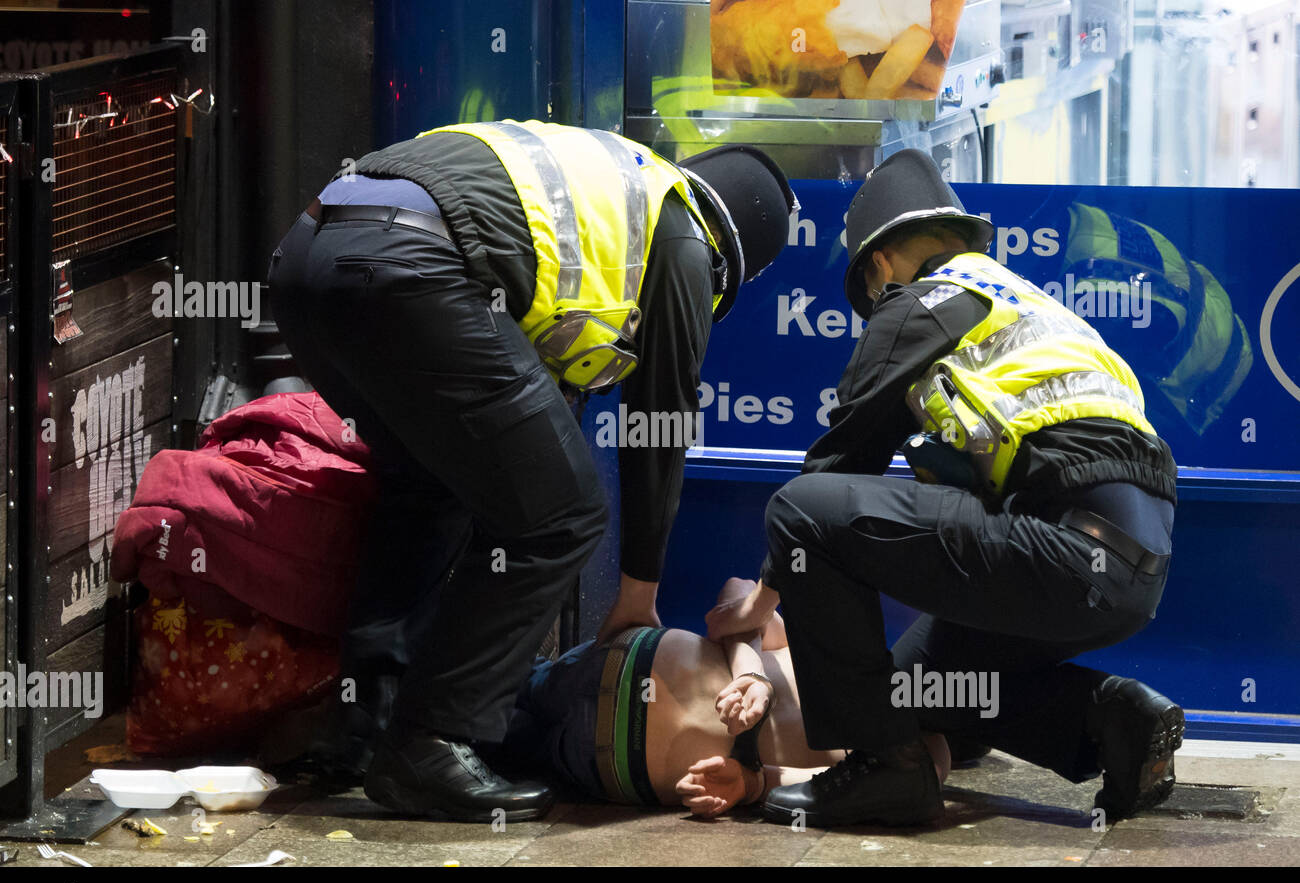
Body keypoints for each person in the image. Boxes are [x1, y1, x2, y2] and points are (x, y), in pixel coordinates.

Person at [267, 120, 795, 822]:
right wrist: (638, 593)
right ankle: (431, 740)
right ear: (731, 262)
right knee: (564, 517)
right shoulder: (682, 236)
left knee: (427, 488)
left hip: (305, 262)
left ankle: (364, 728)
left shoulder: (614, 181)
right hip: (410, 270)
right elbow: (658, 422)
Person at [705, 149, 1184, 828]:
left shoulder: (919, 302)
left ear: (878, 265)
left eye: (870, 297)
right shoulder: (1025, 307)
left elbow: (836, 471)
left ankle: (884, 770)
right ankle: (1110, 720)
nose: (876, 310)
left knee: (799, 512)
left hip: (1067, 547)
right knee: (909, 686)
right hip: (1131, 571)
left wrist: (761, 602)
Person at [499, 577, 951, 816]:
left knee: (483, 740)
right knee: (474, 688)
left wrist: (751, 782)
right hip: (616, 667)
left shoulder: (913, 762)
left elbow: (823, 785)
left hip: (617, 760)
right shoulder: (855, 652)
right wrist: (753, 674)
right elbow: (735, 600)